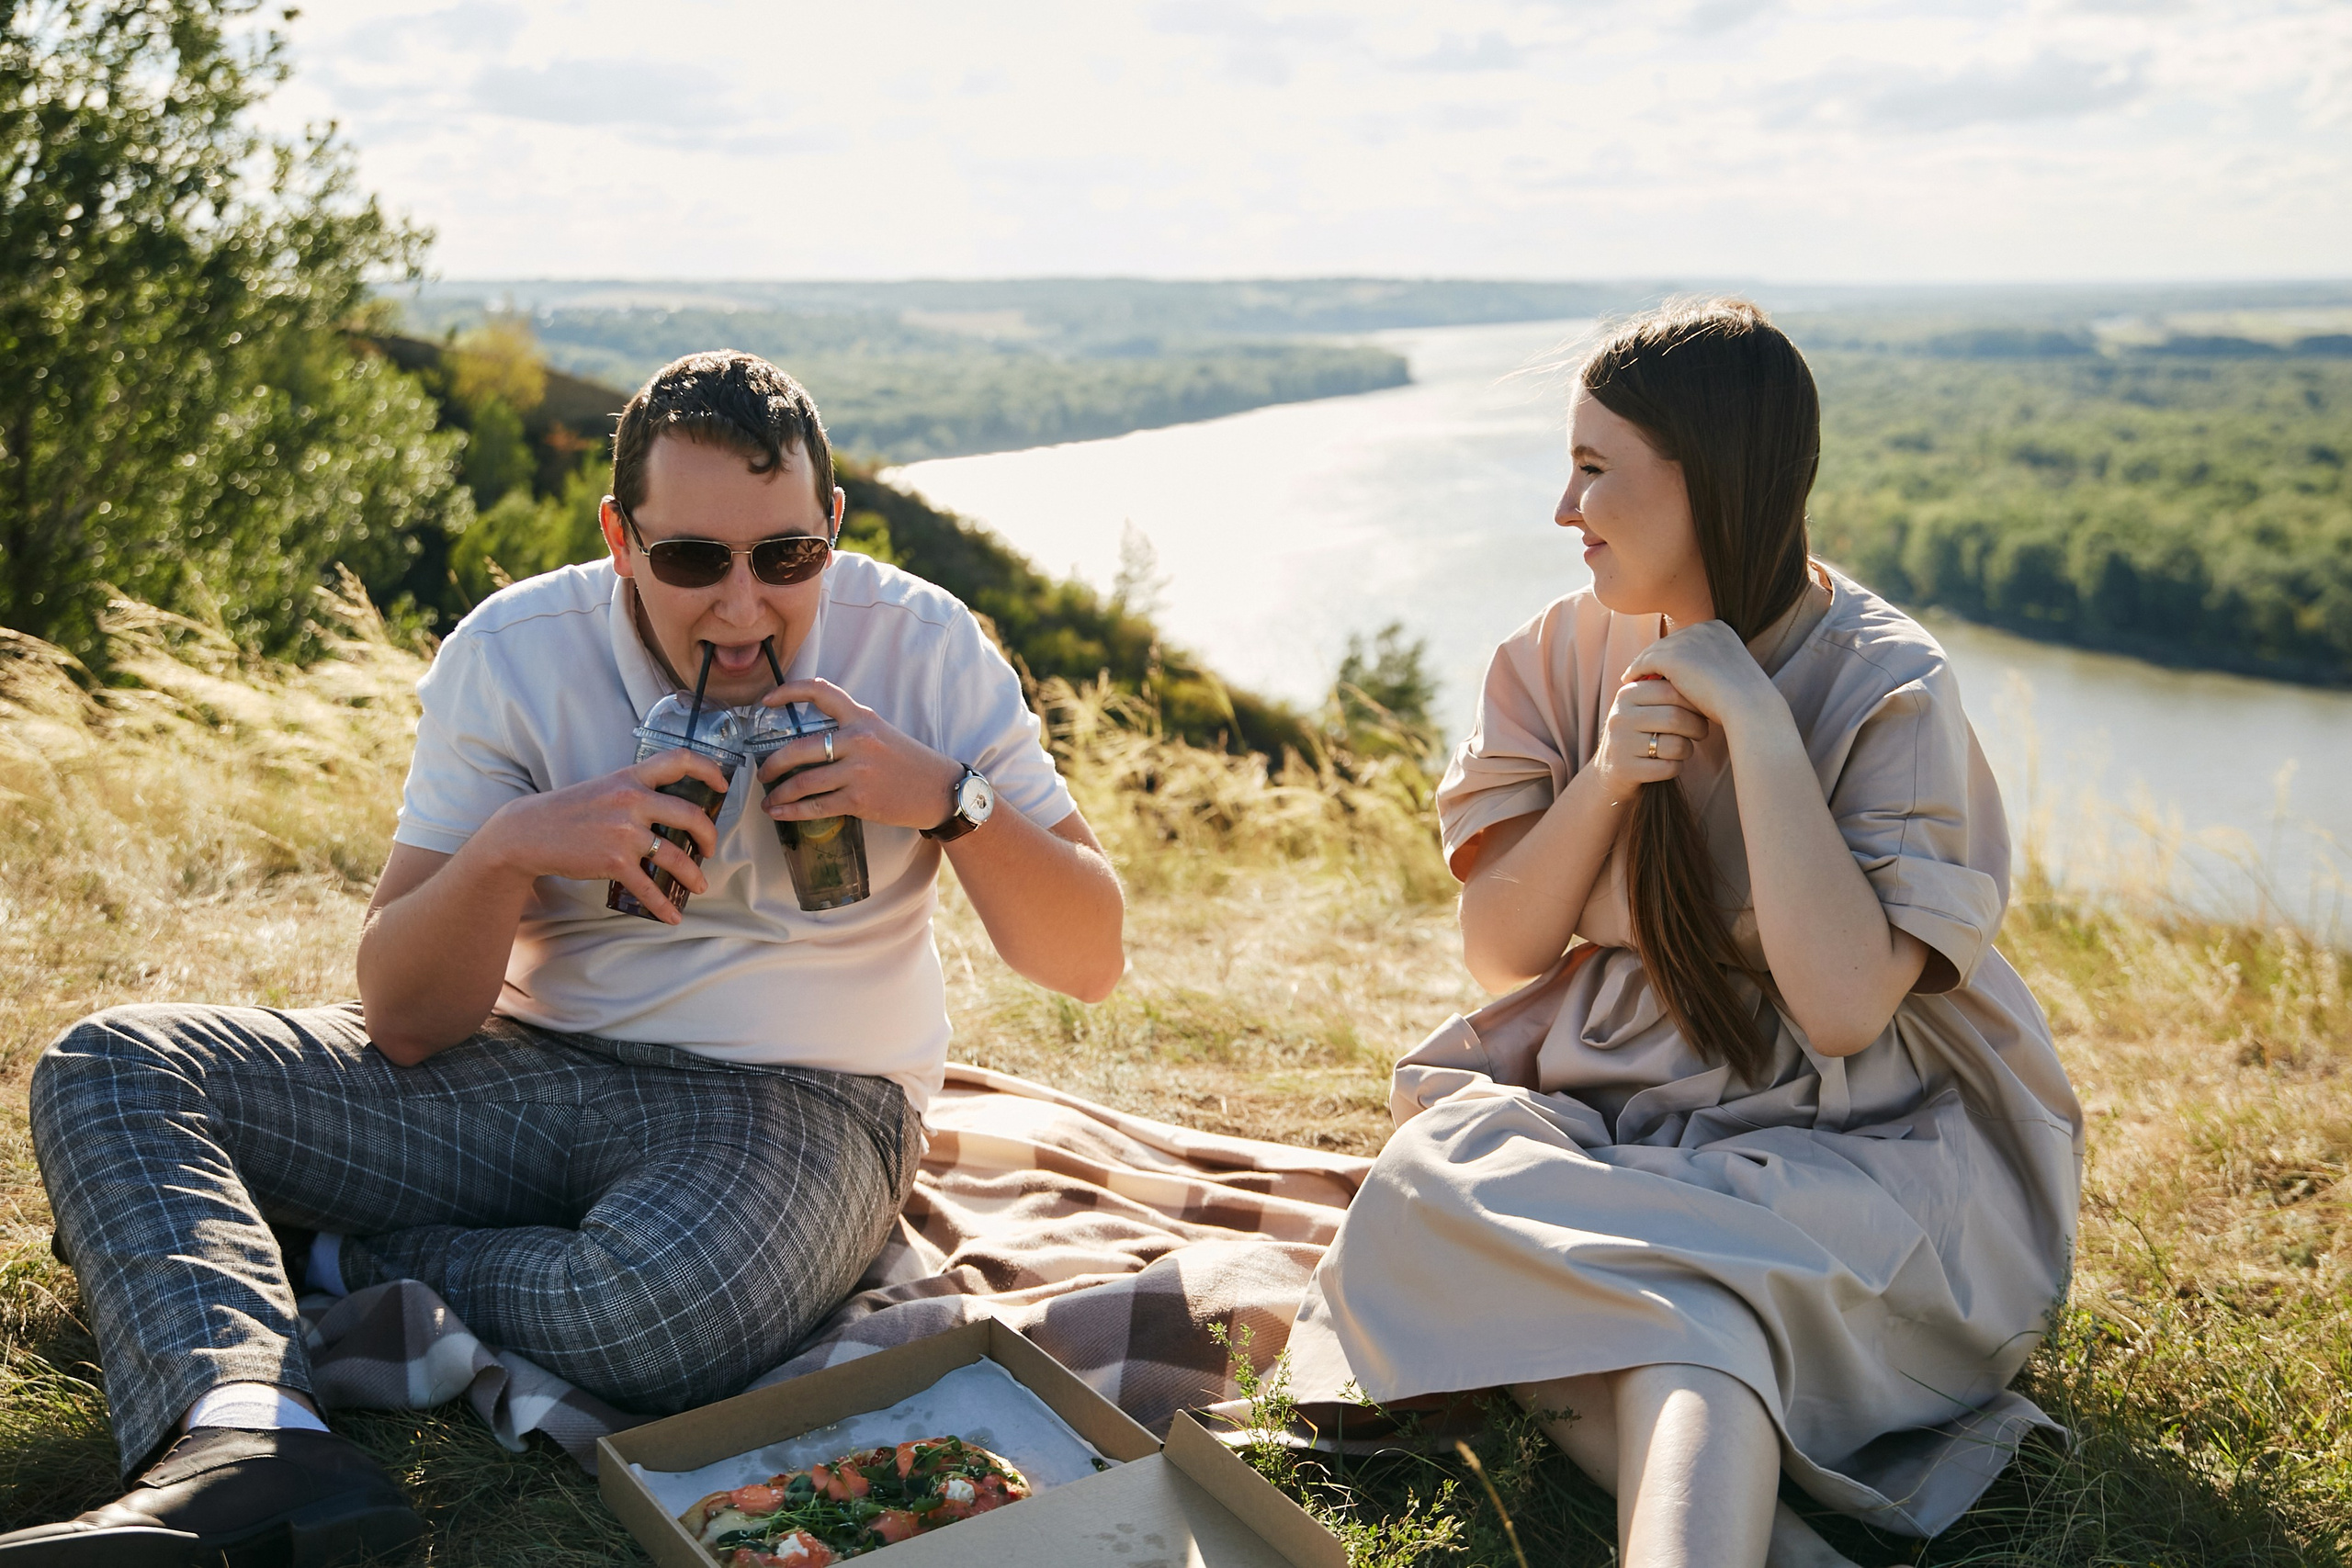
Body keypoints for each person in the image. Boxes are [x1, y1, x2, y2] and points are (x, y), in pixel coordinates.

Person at [3, 351, 1125, 1565]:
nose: (742, 608)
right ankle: (248, 1445)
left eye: (786, 559)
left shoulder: (924, 645)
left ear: (832, 530)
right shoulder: (515, 651)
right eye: (692, 558)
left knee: (657, 1314)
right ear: (619, 536)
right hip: (526, 1065)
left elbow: (1089, 959)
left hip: (804, 1102)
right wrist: (508, 852)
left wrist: (945, 798)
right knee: (114, 1065)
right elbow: (407, 1017)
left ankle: (304, 1249)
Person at [1280, 301, 2083, 1568]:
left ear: (1711, 481)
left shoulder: (1890, 684)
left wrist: (1757, 728)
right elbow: (1500, 951)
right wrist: (1605, 778)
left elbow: (1842, 1009)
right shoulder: (1552, 656)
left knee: (1659, 1307)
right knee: (1439, 1169)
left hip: (1855, 1136)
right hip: (1617, 1106)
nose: (1564, 508)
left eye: (1596, 470)